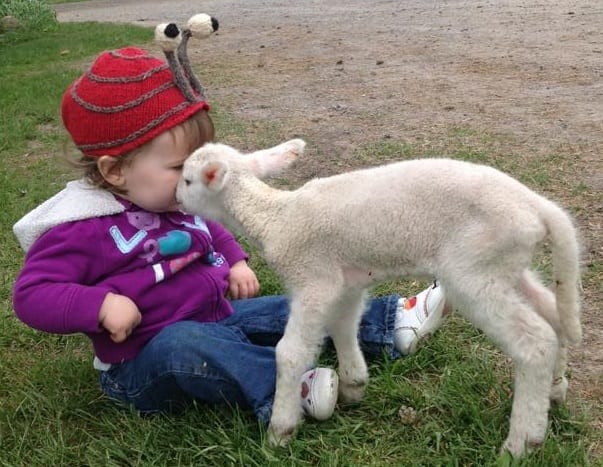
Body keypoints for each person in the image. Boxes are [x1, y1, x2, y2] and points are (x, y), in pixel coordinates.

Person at [12, 21, 447, 425]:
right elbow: (32, 296)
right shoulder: (83, 227)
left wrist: (235, 262)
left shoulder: (173, 200)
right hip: (144, 359)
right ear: (115, 172)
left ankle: (389, 322)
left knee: (289, 309)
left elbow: (210, 231)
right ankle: (285, 385)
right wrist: (100, 306)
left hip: (220, 314)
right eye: (181, 164)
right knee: (185, 344)